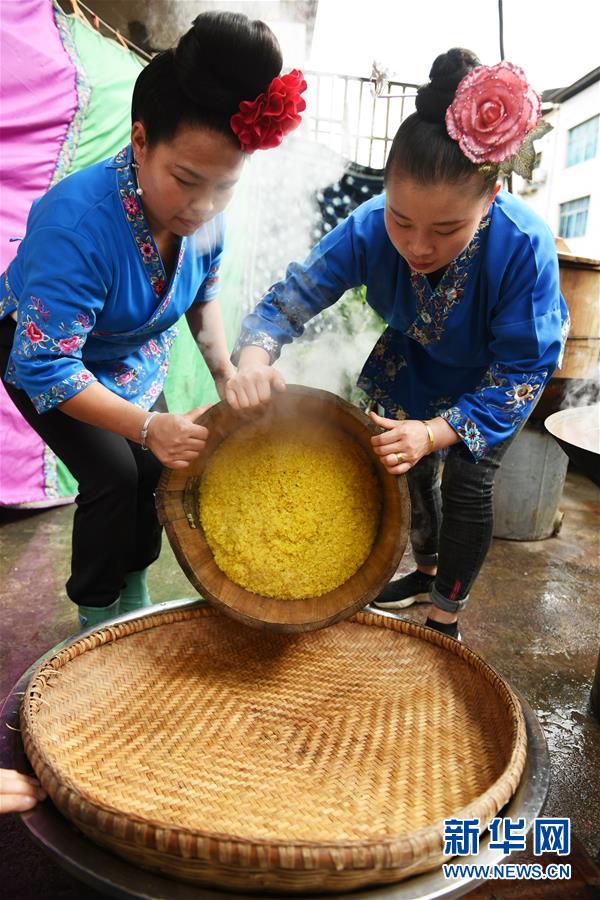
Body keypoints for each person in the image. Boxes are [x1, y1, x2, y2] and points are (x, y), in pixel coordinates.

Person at [225, 48, 569, 641]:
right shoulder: (367, 226)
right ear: (386, 192)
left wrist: (436, 431)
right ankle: (424, 570)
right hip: (418, 356)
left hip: (497, 376)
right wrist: (255, 356)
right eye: (402, 221)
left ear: (489, 199)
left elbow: (521, 369)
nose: (418, 246)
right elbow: (293, 297)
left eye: (446, 229)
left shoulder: (522, 244)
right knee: (405, 465)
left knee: (468, 481)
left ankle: (444, 617)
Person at [0, 12, 306, 629]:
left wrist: (225, 373)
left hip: (129, 354)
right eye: (186, 180)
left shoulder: (207, 214)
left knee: (158, 469)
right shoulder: (76, 224)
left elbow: (202, 298)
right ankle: (94, 616)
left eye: (223, 187)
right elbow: (49, 363)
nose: (204, 206)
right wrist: (146, 425)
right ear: (140, 141)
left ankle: (133, 594)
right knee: (114, 475)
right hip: (45, 353)